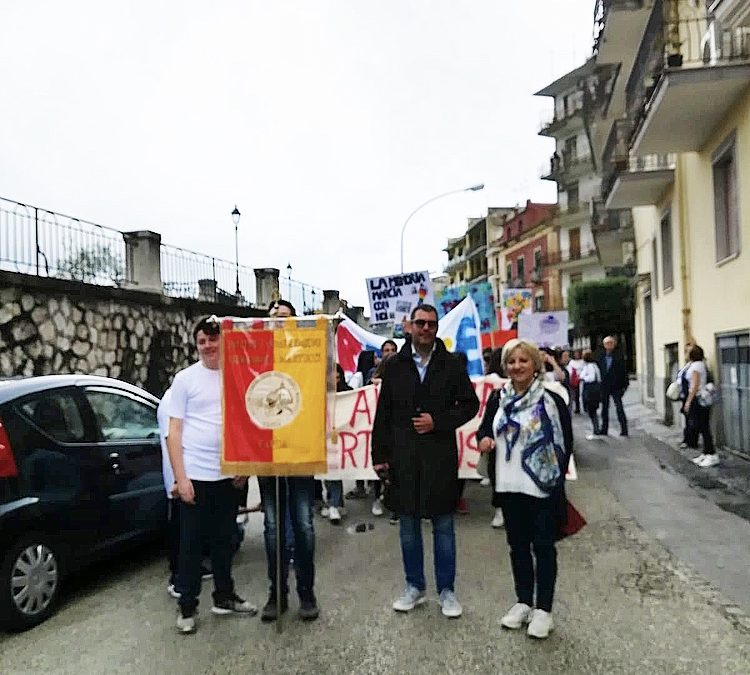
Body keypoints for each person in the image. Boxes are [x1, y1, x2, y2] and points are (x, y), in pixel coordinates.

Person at [372, 304, 479, 618]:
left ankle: (447, 591)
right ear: (410, 326)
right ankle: (414, 587)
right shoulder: (394, 366)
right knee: (408, 526)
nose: (426, 329)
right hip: (403, 459)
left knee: (444, 526)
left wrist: (439, 421)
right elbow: (384, 415)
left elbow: (470, 405)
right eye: (420, 323)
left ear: (437, 328)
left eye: (431, 324)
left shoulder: (452, 364)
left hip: (439, 457)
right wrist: (379, 456)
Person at [476, 339, 573, 639]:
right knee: (517, 547)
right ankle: (523, 602)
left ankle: (544, 610)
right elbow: (484, 428)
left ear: (535, 364)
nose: (517, 366)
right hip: (508, 485)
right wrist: (484, 440)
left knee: (543, 547)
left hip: (541, 488)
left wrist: (550, 474)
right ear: (505, 367)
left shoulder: (551, 398)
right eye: (511, 362)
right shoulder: (497, 399)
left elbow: (565, 442)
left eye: (523, 361)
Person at [167, 318, 256, 635]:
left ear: (223, 342)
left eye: (212, 340)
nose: (207, 346)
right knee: (191, 546)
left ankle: (224, 596)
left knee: (225, 541)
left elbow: (248, 422)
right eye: (201, 341)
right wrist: (182, 478)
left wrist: (245, 466)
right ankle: (187, 606)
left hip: (228, 476)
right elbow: (173, 433)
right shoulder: (185, 379)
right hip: (196, 477)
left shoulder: (238, 375)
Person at [257, 300, 320, 623]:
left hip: (301, 454)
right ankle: (276, 594)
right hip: (267, 456)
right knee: (271, 528)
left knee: (304, 525)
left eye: (284, 318)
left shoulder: (307, 356)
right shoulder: (255, 355)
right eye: (273, 318)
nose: (278, 323)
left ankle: (306, 592)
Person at [368, 340, 398, 518]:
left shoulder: (405, 375)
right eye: (386, 350)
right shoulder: (373, 375)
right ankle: (378, 497)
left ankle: (395, 503)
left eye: (393, 350)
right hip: (381, 430)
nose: (390, 352)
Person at [683, 344, 718, 468]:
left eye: (688, 352)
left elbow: (695, 385)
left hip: (699, 399)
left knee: (703, 427)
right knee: (702, 426)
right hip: (699, 398)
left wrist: (688, 401)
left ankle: (712, 454)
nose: (686, 354)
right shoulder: (697, 365)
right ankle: (706, 452)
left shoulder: (696, 366)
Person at [598, 335, 629, 437]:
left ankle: (624, 429)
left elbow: (624, 372)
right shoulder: (601, 357)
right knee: (604, 409)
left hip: (617, 386)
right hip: (604, 387)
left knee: (619, 407)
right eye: (607, 343)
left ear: (614, 344)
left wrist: (625, 386)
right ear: (604, 345)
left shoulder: (619, 356)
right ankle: (604, 428)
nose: (609, 345)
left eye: (611, 343)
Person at [579, 350, 602, 439]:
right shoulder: (594, 365)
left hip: (590, 390)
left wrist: (583, 377)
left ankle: (596, 430)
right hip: (594, 390)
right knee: (593, 410)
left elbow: (591, 378)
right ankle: (596, 429)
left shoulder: (589, 367)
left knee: (591, 410)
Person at [567, 349, 585, 415]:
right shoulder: (571, 362)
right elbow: (569, 370)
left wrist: (580, 375)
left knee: (582, 394)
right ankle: (577, 408)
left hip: (581, 379)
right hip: (574, 380)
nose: (576, 355)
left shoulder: (583, 361)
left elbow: (584, 369)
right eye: (575, 354)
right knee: (575, 395)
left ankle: (584, 406)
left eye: (578, 354)